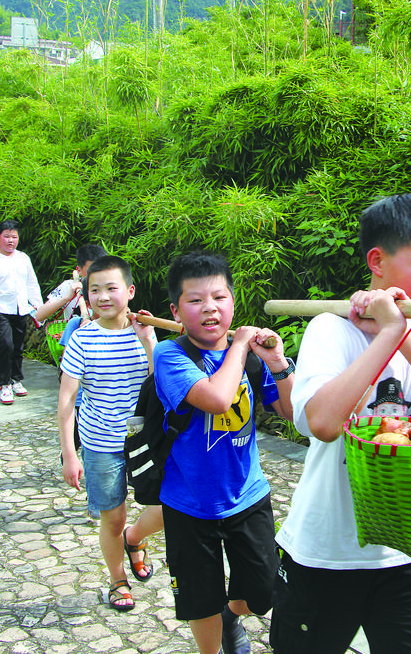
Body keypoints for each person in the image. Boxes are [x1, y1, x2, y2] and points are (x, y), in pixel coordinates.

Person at [270, 194, 411, 654]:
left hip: (403, 550)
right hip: (325, 552)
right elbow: (322, 423)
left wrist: (401, 328)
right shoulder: (331, 327)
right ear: (377, 262)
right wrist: (385, 334)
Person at [153, 251, 294, 654]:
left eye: (219, 297)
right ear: (176, 310)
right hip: (189, 503)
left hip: (247, 496)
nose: (210, 308)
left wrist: (278, 363)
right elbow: (215, 398)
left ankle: (233, 615)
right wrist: (240, 345)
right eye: (195, 300)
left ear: (233, 300)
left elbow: (288, 412)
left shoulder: (248, 356)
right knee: (200, 599)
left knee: (262, 591)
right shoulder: (170, 355)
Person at [57, 255, 159, 610]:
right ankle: (118, 581)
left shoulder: (145, 332)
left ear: (129, 291)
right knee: (112, 517)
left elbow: (160, 384)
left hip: (144, 440)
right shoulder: (82, 339)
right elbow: (67, 401)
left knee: (170, 506)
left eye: (111, 288)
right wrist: (71, 454)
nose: (103, 296)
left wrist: (148, 341)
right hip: (101, 443)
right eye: (94, 289)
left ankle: (136, 538)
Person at [0, 220, 42, 405]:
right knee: (4, 345)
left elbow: (31, 283)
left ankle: (16, 379)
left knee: (17, 346)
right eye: (6, 236)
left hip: (20, 308)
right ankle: (4, 384)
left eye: (14, 237)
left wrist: (38, 305)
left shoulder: (23, 258)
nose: (10, 240)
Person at [34, 244, 107, 325]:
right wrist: (67, 298)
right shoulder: (68, 286)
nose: (97, 274)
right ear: (79, 270)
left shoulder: (111, 288)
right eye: (92, 270)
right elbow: (39, 316)